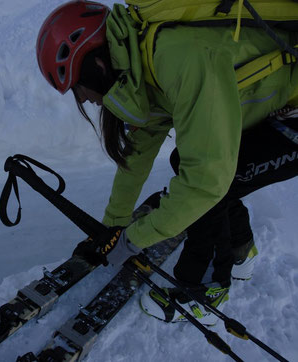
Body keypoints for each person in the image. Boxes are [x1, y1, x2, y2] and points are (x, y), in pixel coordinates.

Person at [36, 0, 298, 325]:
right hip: (274, 104)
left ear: (96, 66)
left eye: (79, 88)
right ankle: (240, 250)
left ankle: (204, 291)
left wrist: (134, 240)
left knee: (208, 181)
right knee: (192, 164)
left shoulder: (177, 57)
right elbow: (140, 149)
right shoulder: (140, 60)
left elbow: (204, 184)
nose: (86, 99)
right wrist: (114, 224)